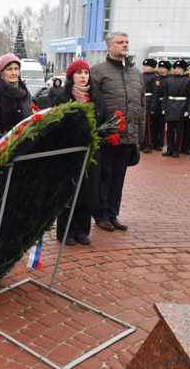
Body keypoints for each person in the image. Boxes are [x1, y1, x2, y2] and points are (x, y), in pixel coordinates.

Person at [90, 32, 145, 233]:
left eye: (127, 42)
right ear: (109, 46)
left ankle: (113, 214)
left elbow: (142, 105)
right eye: (120, 42)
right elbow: (92, 104)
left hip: (127, 137)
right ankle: (100, 214)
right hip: (107, 137)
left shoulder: (135, 73)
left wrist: (139, 136)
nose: (124, 45)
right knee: (103, 177)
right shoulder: (98, 71)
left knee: (118, 179)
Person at [53, 60, 111, 246]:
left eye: (86, 73)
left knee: (88, 192)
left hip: (91, 154)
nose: (83, 76)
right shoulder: (63, 99)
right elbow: (55, 126)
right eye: (79, 73)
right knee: (70, 192)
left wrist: (100, 134)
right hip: (69, 154)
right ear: (71, 77)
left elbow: (106, 123)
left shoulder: (97, 98)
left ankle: (82, 230)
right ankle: (66, 231)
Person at [0, 54, 33, 152]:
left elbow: (31, 119)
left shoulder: (25, 93)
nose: (14, 73)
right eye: (9, 69)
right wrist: (6, 144)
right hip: (1, 151)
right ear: (1, 72)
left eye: (16, 69)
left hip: (24, 150)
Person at [161, 61, 190, 158]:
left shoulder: (189, 80)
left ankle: (177, 149)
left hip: (182, 106)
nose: (177, 69)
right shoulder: (169, 79)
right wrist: (164, 107)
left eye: (179, 68)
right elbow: (165, 95)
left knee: (179, 131)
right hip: (170, 105)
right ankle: (169, 149)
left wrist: (188, 110)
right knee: (170, 130)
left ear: (184, 69)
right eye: (176, 68)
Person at [141, 59, 161, 154]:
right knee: (141, 125)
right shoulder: (142, 75)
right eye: (144, 66)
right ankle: (141, 143)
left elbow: (156, 93)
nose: (145, 67)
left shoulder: (155, 77)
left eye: (147, 66)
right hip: (141, 101)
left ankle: (148, 144)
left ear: (152, 67)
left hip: (148, 102)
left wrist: (153, 107)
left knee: (147, 126)